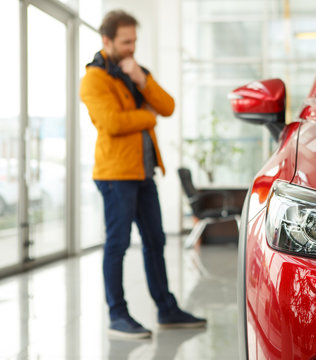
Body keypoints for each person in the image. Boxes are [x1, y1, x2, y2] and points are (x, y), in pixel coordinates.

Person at [80, 9, 206, 339]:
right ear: (106, 40)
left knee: (155, 241)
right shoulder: (94, 80)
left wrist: (141, 79)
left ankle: (167, 309)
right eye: (125, 42)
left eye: (134, 41)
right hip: (116, 175)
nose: (131, 47)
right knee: (118, 244)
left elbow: (167, 106)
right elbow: (112, 123)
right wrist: (146, 117)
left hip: (143, 173)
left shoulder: (134, 71)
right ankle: (117, 315)